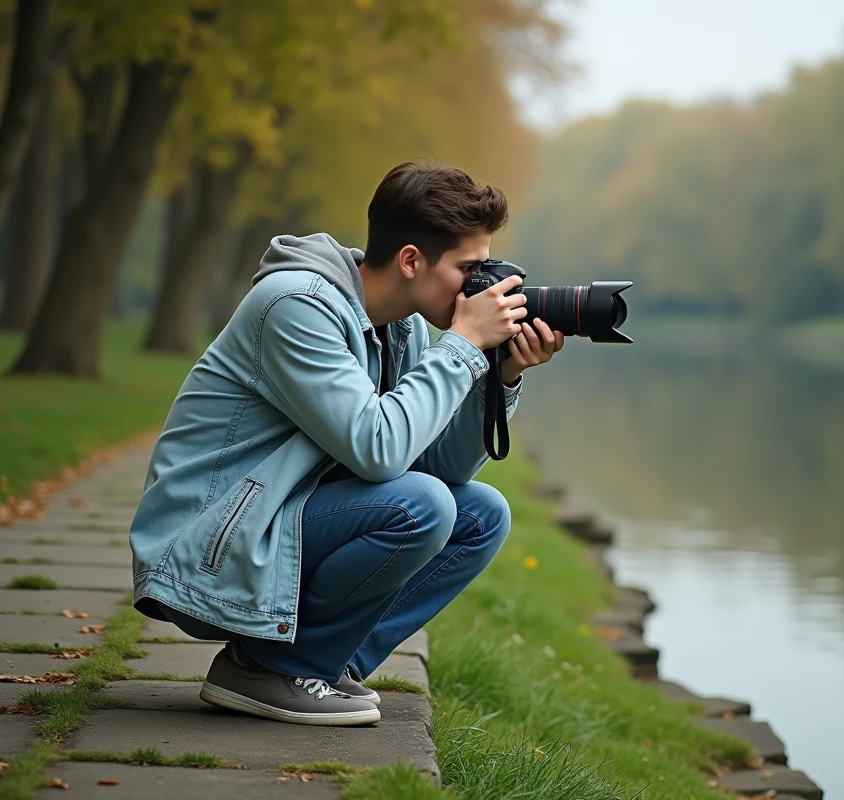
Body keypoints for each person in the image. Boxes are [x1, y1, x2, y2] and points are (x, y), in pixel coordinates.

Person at [128, 161, 563, 726]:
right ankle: (263, 668)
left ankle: (321, 667)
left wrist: (500, 377)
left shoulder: (400, 324)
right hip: (208, 545)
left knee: (481, 513)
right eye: (470, 269)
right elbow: (377, 451)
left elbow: (433, 465)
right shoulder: (295, 305)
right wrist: (459, 345)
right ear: (411, 260)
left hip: (279, 522)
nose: (486, 287)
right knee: (421, 507)